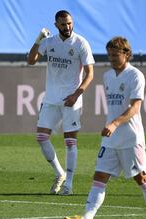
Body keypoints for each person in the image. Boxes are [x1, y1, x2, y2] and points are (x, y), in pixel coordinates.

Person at [63, 37, 146, 219]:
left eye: (115, 55)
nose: (112, 59)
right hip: (110, 138)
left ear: (127, 54)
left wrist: (115, 123)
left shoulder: (135, 76)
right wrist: (111, 125)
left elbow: (135, 107)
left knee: (141, 178)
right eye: (109, 55)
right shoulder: (107, 76)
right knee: (99, 177)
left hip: (131, 137)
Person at [27, 10, 95, 195]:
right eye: (64, 24)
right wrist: (39, 39)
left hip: (71, 100)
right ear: (56, 24)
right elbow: (31, 61)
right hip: (51, 99)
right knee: (41, 138)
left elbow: (90, 74)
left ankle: (69, 185)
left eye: (70, 23)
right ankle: (60, 174)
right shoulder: (49, 42)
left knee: (70, 142)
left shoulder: (81, 43)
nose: (68, 27)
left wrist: (76, 94)